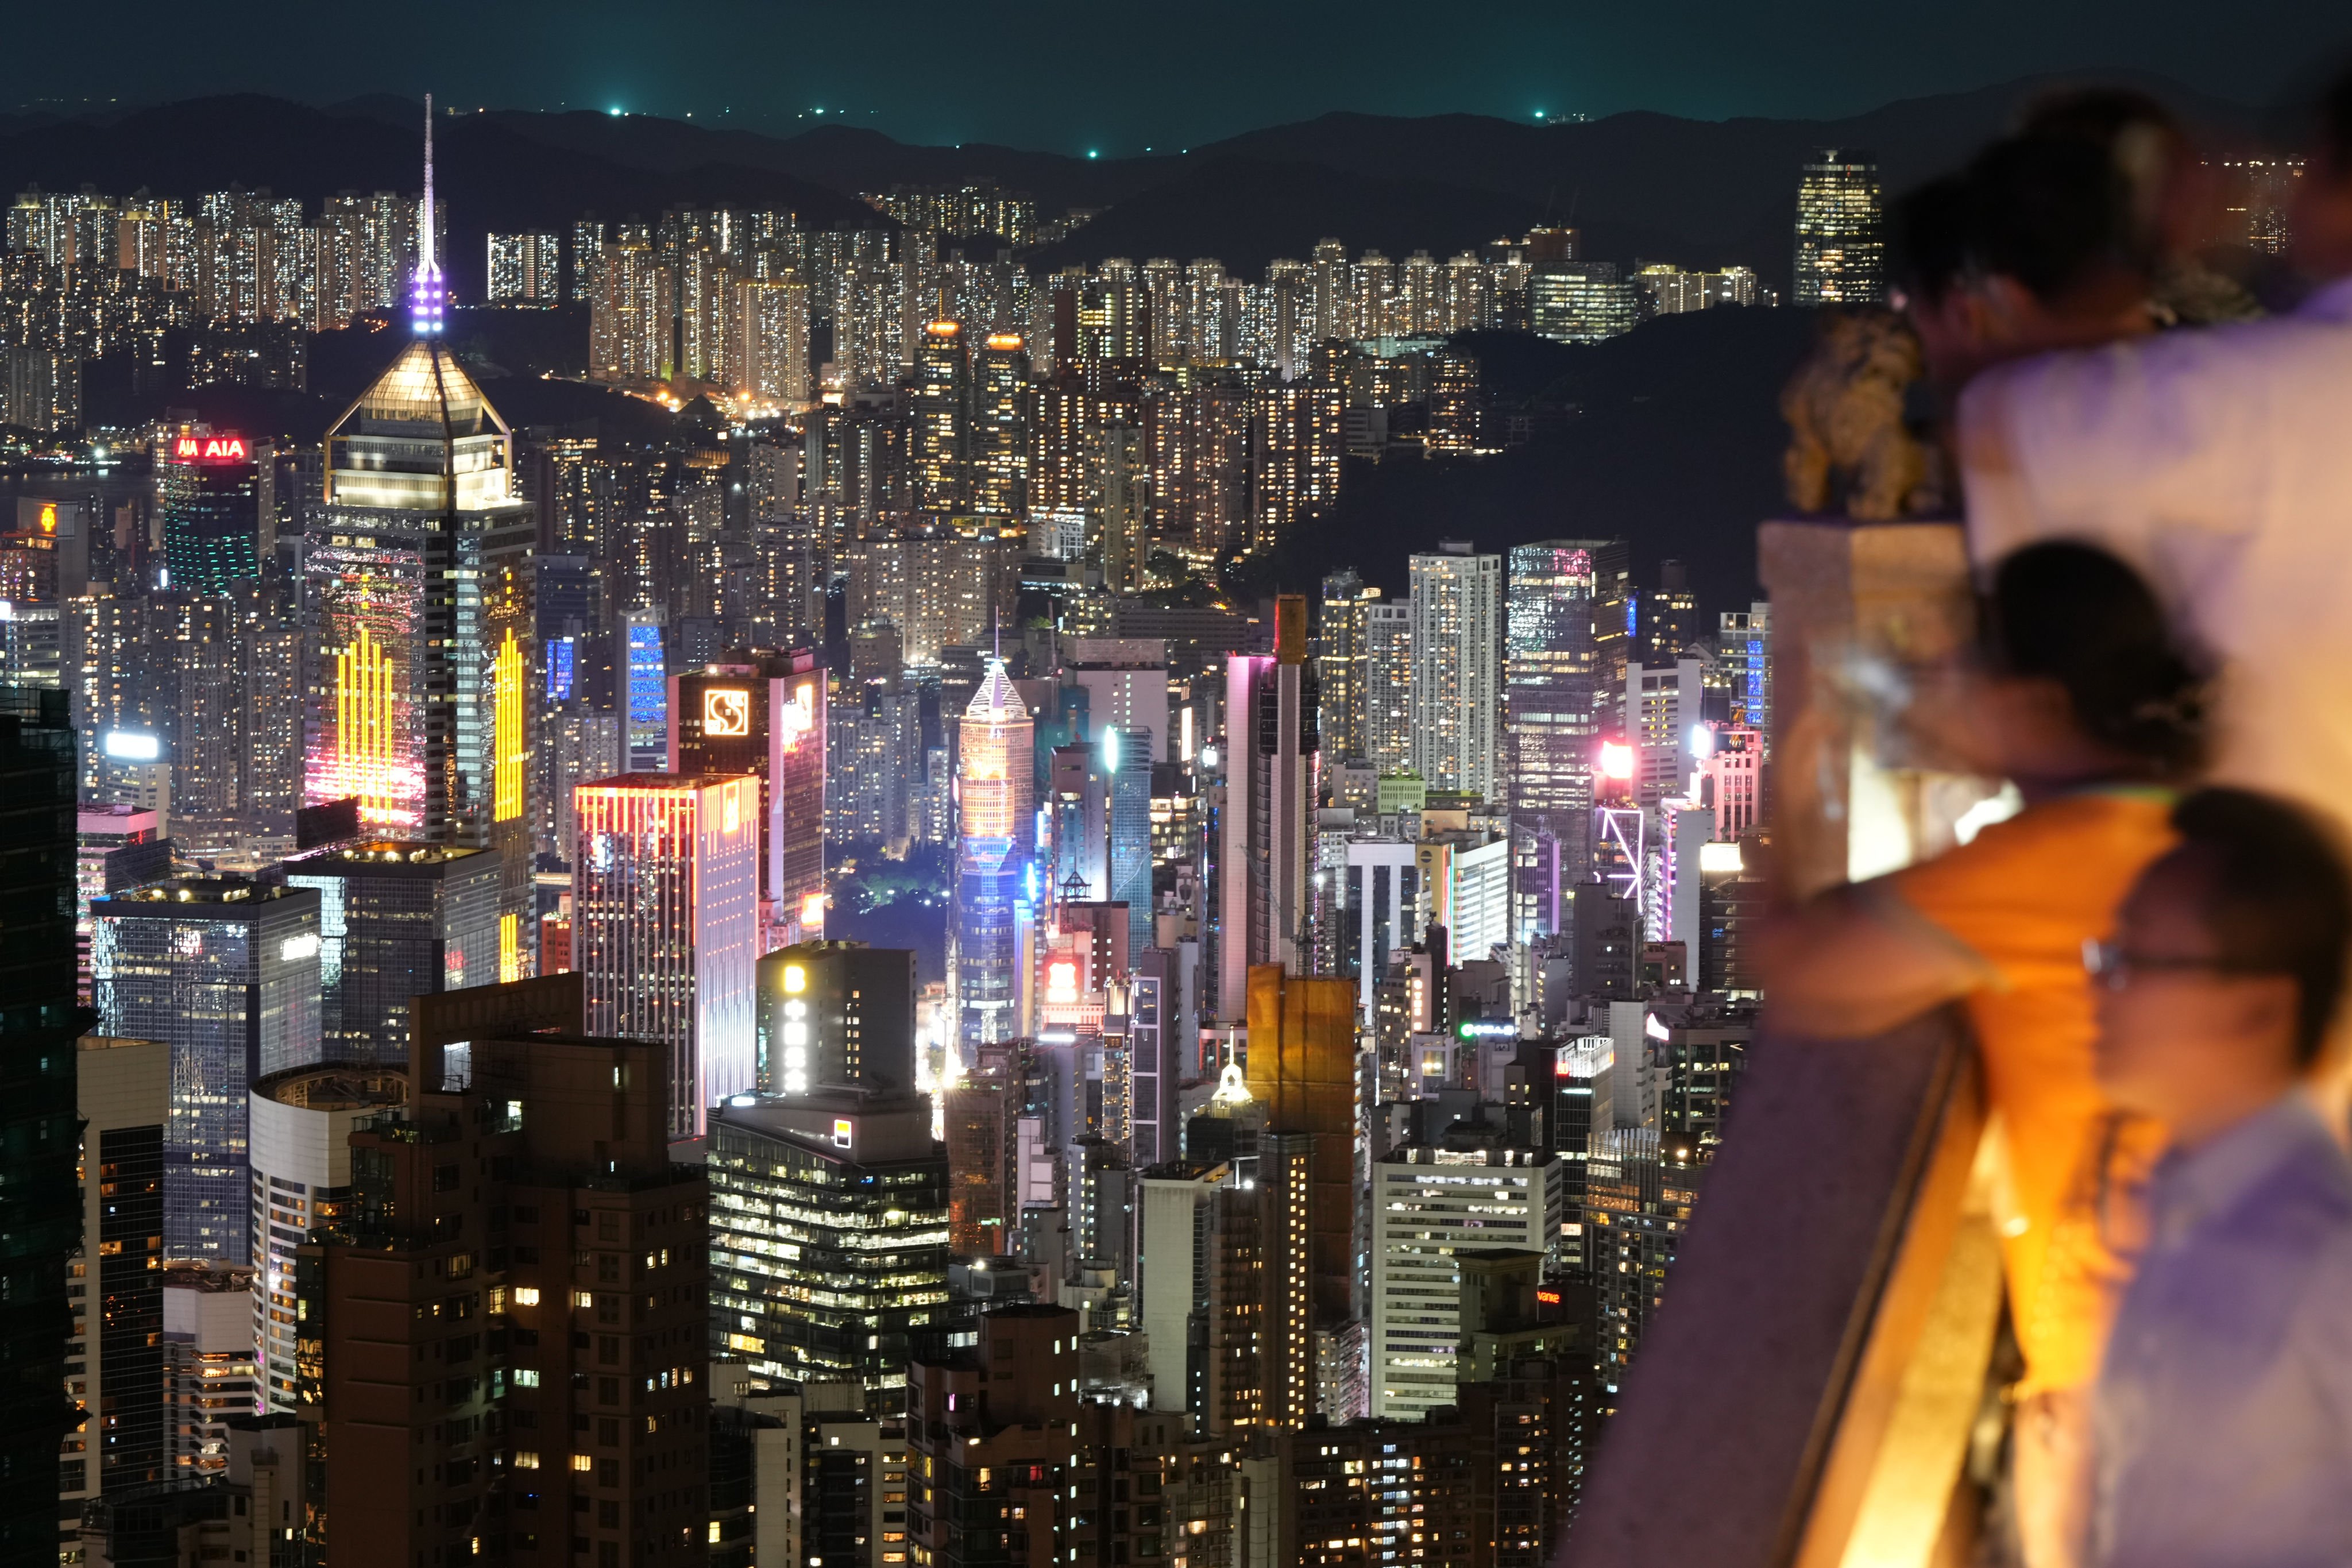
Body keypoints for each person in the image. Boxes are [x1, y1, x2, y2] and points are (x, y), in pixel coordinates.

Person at [1763, 540, 2204, 1568]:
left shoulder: (2041, 866)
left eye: (1968, 666)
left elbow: (1800, 966)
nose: (1942, 687)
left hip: (2115, 1402)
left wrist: (1789, 761)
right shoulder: (2201, 835)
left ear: (2041, 705)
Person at [1958, 61, 2352, 843]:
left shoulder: (2268, 389)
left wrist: (2108, 268)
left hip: (2277, 888)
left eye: (2307, 167)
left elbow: (2008, 425)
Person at [2085, 787, 2352, 1567]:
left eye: (2134, 958)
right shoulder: (2175, 1206)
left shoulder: (2328, 1253)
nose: (2099, 985)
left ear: (2260, 1007)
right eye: (2105, 953)